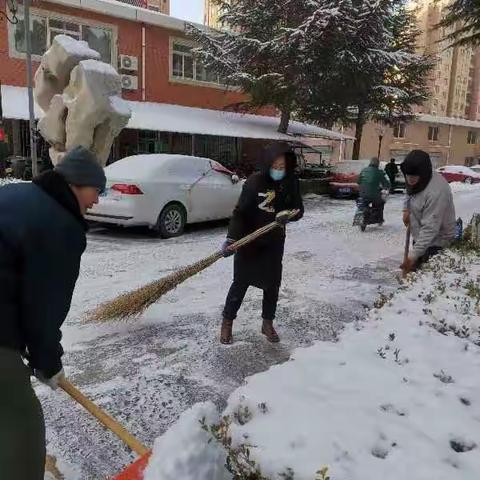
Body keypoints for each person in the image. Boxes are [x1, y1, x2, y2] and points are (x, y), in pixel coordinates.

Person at [0, 146, 106, 480]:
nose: (97, 201)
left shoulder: (16, 194)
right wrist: (48, 361)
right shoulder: (60, 224)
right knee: (21, 422)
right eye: (96, 191)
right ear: (77, 183)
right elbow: (43, 307)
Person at [220, 143, 304, 345]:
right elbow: (240, 212)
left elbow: (299, 209)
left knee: (272, 285)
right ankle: (227, 322)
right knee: (240, 283)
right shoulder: (254, 182)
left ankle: (267, 323)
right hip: (250, 242)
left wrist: (288, 215)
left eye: (283, 166)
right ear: (268, 163)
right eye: (275, 165)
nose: (279, 169)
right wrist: (232, 238)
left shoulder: (290, 182)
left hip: (274, 242)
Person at [401, 150, 456, 273]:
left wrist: (412, 256)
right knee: (414, 276)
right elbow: (410, 191)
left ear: (423, 173)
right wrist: (406, 209)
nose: (410, 179)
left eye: (413, 177)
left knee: (423, 278)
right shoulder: (416, 178)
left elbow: (430, 228)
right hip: (420, 235)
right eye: (407, 176)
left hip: (437, 242)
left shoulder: (437, 191)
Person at [357, 157, 391, 223]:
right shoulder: (380, 172)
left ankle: (361, 217)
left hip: (363, 194)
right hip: (375, 195)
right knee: (380, 203)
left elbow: (358, 181)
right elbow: (386, 183)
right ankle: (379, 219)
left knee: (362, 203)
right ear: (378, 164)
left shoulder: (364, 170)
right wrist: (387, 187)